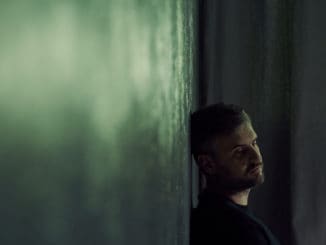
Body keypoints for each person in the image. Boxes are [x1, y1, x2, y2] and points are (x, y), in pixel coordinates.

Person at [190, 103, 280, 245]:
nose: (256, 158)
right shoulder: (241, 233)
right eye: (240, 151)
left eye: (254, 143)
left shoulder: (215, 216)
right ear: (208, 164)